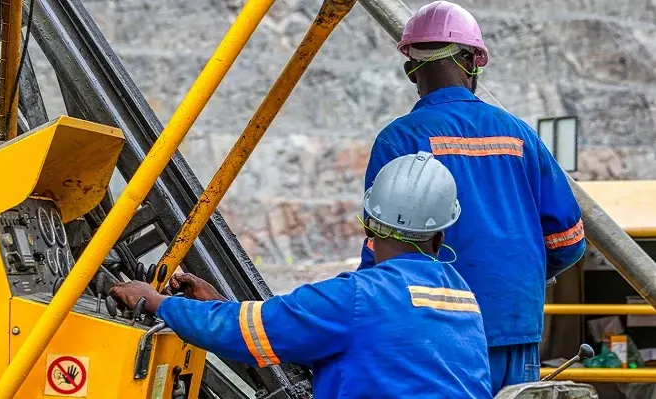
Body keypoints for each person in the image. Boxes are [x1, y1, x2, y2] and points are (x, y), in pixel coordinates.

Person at [111, 152, 492, 399]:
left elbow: (244, 333)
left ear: (369, 226)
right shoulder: (461, 296)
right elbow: (376, 352)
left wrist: (157, 301)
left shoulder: (358, 297)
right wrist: (220, 304)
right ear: (441, 234)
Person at [359, 1, 587, 394]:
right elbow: (568, 240)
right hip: (517, 322)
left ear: (410, 70)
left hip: (436, 328)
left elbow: (383, 245)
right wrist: (519, 272)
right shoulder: (518, 135)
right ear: (472, 62)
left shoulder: (400, 139)